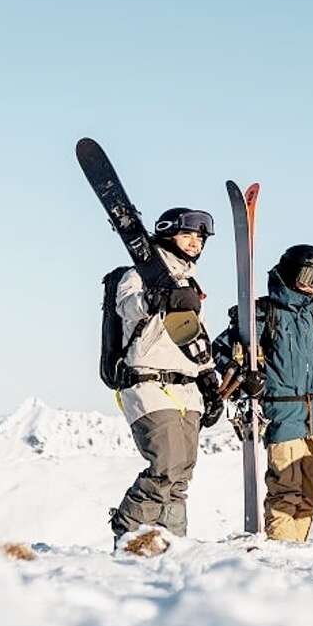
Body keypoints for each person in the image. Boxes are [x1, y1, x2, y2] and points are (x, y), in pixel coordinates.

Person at [215, 244, 313, 541]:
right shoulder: (263, 312)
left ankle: (297, 551)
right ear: (291, 271)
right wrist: (246, 378)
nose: (311, 283)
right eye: (307, 274)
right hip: (282, 413)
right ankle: (283, 558)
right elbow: (223, 350)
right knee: (285, 490)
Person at [108, 207, 224, 545]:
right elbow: (127, 307)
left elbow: (193, 338)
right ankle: (128, 537)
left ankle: (172, 544)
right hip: (149, 384)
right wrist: (160, 296)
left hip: (187, 390)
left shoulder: (189, 282)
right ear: (167, 235)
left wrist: (208, 379)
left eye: (200, 237)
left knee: (180, 476)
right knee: (165, 468)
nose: (194, 242)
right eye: (187, 235)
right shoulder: (139, 275)